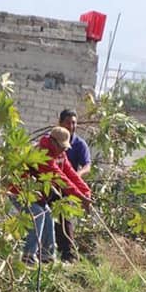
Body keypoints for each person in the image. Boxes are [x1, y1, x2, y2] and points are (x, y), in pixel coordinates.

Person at [10, 125, 91, 264]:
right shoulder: (43, 154)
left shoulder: (60, 153)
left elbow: (70, 173)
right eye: (62, 146)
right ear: (53, 142)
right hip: (21, 191)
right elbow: (62, 180)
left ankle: (47, 256)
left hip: (37, 194)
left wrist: (86, 192)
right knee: (38, 214)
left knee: (47, 215)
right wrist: (81, 198)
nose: (64, 149)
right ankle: (28, 256)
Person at [56, 108, 91, 262]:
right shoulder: (52, 140)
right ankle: (46, 251)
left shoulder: (79, 144)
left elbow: (86, 166)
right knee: (47, 217)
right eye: (68, 122)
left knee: (64, 217)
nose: (71, 126)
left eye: (74, 123)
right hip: (49, 183)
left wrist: (77, 177)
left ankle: (68, 255)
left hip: (67, 186)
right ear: (60, 123)